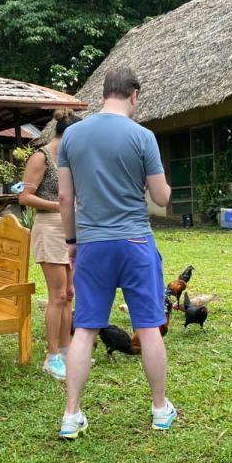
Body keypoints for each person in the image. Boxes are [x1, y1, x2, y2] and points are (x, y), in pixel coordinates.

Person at [57, 65, 175, 439]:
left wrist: (72, 243)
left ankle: (71, 415)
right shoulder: (143, 137)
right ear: (134, 95)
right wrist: (162, 185)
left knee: (86, 330)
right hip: (136, 243)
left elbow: (64, 198)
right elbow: (160, 197)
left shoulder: (72, 137)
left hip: (92, 244)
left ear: (105, 92)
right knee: (149, 327)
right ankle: (159, 410)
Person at [19, 109, 81, 380]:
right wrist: (58, 205)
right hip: (49, 228)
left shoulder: (70, 160)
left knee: (69, 293)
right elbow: (25, 197)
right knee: (56, 295)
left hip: (70, 229)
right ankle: (52, 356)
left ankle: (68, 350)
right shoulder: (40, 157)